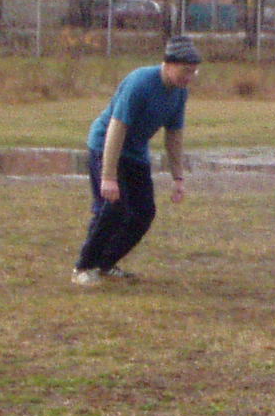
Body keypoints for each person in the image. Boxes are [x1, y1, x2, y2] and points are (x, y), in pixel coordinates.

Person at [73, 37, 200, 286]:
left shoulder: (180, 93)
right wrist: (108, 176)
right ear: (168, 64)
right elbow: (116, 127)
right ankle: (84, 267)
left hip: (135, 152)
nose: (189, 77)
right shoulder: (140, 82)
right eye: (185, 70)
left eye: (193, 72)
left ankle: (106, 263)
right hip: (106, 145)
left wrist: (178, 177)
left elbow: (174, 135)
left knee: (144, 213)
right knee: (113, 206)